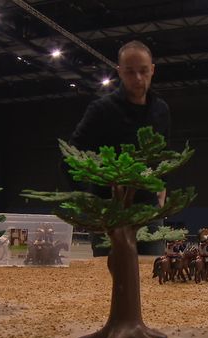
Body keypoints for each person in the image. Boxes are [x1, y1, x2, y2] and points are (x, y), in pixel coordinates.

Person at [69, 40, 170, 256]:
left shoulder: (161, 110)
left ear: (152, 69)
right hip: (109, 211)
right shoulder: (101, 110)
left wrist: (162, 190)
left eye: (143, 71)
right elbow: (71, 156)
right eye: (130, 72)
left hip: (148, 210)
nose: (138, 79)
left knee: (153, 274)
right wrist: (90, 201)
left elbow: (162, 155)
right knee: (109, 278)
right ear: (119, 72)